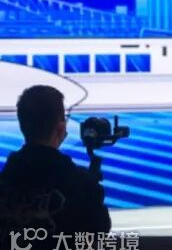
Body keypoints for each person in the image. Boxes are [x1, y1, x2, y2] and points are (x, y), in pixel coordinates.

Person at [0, 85, 111, 234]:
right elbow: (98, 230)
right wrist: (91, 189)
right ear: (60, 129)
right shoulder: (79, 184)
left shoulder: (6, 180)